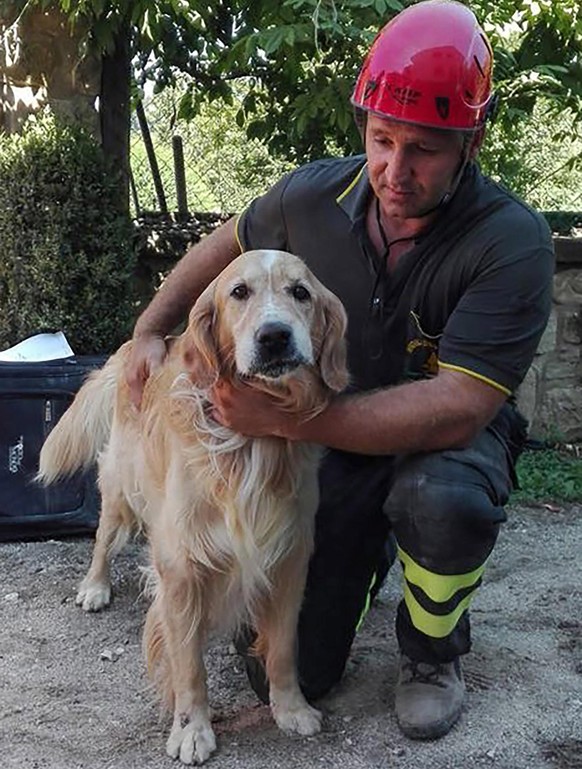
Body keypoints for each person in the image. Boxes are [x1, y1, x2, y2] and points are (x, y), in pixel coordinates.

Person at [126, 0, 555, 741]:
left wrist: (289, 417)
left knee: (443, 499)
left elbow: (458, 405)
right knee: (289, 667)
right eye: (382, 138)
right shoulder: (313, 195)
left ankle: (431, 650)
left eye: (423, 149)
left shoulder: (511, 241)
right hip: (336, 434)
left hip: (442, 442)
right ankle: (362, 561)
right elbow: (224, 244)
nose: (394, 169)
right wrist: (149, 328)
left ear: (470, 142)